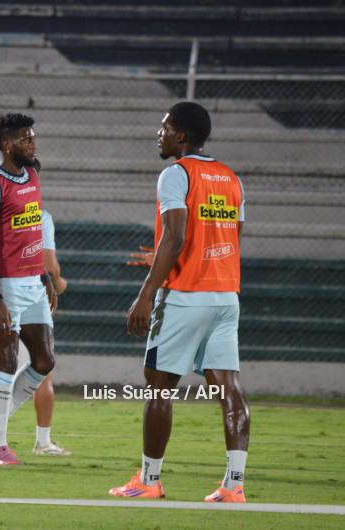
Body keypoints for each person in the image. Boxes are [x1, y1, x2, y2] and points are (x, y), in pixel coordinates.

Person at [109, 102, 249, 503]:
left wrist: (145, 293)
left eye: (165, 127)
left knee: (159, 389)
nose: (160, 134)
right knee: (230, 389)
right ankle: (234, 486)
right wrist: (170, 257)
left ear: (181, 136)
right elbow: (229, 238)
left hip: (185, 296)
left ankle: (149, 481)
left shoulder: (176, 174)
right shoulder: (231, 178)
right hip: (225, 297)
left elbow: (173, 236)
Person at [0, 112, 57, 466]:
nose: (33, 144)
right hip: (4, 285)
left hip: (33, 281)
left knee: (44, 360)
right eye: (26, 139)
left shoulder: (33, 175)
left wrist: (46, 277)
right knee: (6, 364)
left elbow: (31, 231)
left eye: (33, 137)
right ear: (8, 146)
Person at [0, 209, 70, 456]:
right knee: (42, 370)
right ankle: (42, 440)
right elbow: (48, 266)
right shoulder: (39, 216)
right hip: (26, 302)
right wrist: (58, 281)